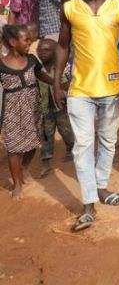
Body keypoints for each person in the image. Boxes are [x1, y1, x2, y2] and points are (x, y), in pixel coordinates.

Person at [54, 0, 119, 231]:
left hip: (111, 88)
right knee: (83, 146)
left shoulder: (118, 7)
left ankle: (101, 186)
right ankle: (88, 203)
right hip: (80, 89)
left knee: (109, 141)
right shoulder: (69, 8)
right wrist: (56, 83)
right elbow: (63, 47)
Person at [0, 25, 50, 200]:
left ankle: (24, 168)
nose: (30, 43)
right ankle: (17, 185)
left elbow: (40, 75)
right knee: (14, 149)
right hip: (12, 111)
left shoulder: (31, 59)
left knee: (34, 142)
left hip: (33, 107)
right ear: (13, 42)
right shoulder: (1, 65)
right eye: (26, 40)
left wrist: (56, 83)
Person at [36, 38, 74, 178]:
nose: (42, 53)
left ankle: (70, 148)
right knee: (45, 136)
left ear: (55, 52)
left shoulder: (62, 67)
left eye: (47, 50)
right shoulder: (36, 70)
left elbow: (69, 84)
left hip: (61, 107)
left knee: (67, 131)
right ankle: (46, 163)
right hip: (44, 109)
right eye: (40, 50)